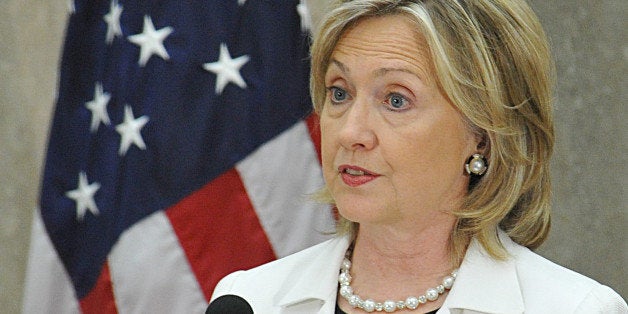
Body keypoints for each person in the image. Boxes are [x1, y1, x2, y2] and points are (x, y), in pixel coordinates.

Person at [209, 0, 628, 313]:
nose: (351, 132)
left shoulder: (574, 308)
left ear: (482, 134)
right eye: (340, 92)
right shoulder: (251, 301)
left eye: (395, 99)